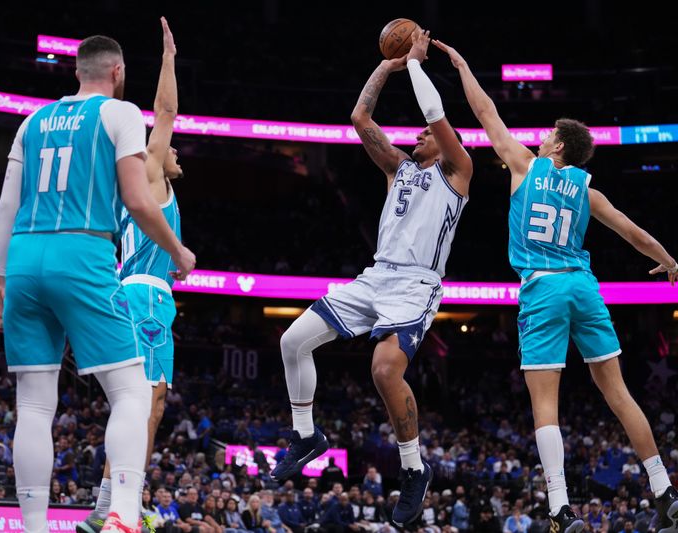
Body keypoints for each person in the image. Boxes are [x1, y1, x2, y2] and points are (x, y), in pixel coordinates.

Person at [433, 37, 678, 533]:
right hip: (584, 287)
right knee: (618, 393)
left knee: (545, 403)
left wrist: (461, 64)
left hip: (543, 286)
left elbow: (484, 113)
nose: (541, 137)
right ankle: (665, 491)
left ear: (558, 146)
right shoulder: (589, 189)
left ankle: (560, 510)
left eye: (547, 134)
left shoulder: (526, 165)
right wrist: (670, 261)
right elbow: (631, 232)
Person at [0, 22, 194, 533]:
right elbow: (140, 193)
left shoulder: (31, 120)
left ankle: (34, 526)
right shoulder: (122, 120)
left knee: (33, 404)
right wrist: (178, 251)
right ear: (118, 72)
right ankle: (120, 512)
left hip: (26, 254)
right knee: (135, 393)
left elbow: (7, 203)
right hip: (90, 257)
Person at [273, 27, 472, 531]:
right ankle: (305, 436)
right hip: (375, 277)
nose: (420, 134)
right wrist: (390, 65)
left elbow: (435, 116)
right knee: (293, 341)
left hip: (416, 286)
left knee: (384, 372)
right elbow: (360, 118)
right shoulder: (398, 169)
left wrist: (420, 64)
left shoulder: (458, 170)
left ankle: (413, 469)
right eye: (422, 135)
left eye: (429, 134)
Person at [79, 18, 186, 533]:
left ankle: (111, 502)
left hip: (139, 295)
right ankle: (117, 506)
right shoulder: (148, 172)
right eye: (166, 149)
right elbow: (165, 110)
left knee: (143, 405)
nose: (173, 151)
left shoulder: (146, 190)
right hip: (143, 299)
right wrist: (168, 57)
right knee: (148, 402)